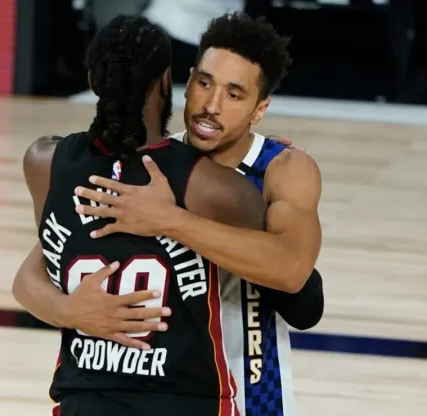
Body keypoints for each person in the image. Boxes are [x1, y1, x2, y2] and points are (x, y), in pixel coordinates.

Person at [21, 16, 274, 415]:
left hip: (85, 399)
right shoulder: (216, 188)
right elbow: (291, 279)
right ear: (166, 82)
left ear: (92, 82)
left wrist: (65, 309)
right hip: (184, 400)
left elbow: (46, 259)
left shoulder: (45, 162)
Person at [75, 13, 323, 416]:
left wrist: (169, 219)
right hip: (161, 392)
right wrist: (65, 309)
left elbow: (293, 274)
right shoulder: (148, 161)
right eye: (204, 83)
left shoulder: (282, 168)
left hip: (253, 392)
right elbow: (32, 272)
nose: (211, 105)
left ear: (259, 110)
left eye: (234, 94)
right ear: (187, 80)